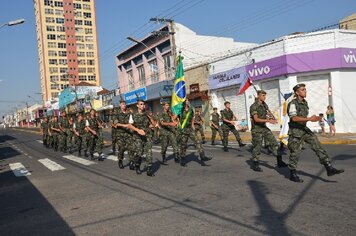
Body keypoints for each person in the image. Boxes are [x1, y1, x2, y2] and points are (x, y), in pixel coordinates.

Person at [287, 84, 344, 182]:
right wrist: (309, 119)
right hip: (295, 131)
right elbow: (294, 118)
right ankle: (293, 173)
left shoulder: (305, 103)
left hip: (304, 129)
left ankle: (329, 168)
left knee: (317, 146)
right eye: (302, 90)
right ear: (297, 92)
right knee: (295, 153)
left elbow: (304, 118)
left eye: (305, 89)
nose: (305, 91)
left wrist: (315, 119)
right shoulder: (293, 103)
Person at [249, 90, 288, 172]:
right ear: (258, 96)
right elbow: (256, 119)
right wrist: (268, 121)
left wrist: (273, 117)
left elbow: (268, 111)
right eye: (263, 95)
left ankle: (279, 161)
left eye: (265, 95)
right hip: (256, 129)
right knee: (257, 147)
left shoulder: (264, 104)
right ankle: (255, 164)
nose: (264, 97)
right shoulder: (254, 106)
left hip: (264, 128)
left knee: (274, 142)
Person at [178, 99, 211, 167]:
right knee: (183, 145)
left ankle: (202, 156)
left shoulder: (190, 110)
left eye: (188, 101)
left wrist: (193, 126)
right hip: (183, 130)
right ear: (184, 102)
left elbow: (192, 118)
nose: (188, 102)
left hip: (190, 129)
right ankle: (182, 160)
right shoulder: (180, 110)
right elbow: (176, 118)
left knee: (198, 141)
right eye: (186, 101)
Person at [128, 99, 155, 176]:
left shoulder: (147, 114)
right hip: (137, 137)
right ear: (137, 105)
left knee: (149, 152)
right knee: (139, 153)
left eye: (143, 104)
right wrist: (138, 130)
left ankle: (149, 170)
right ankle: (137, 165)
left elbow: (153, 124)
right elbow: (129, 125)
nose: (143, 106)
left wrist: (151, 120)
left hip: (147, 136)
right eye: (141, 104)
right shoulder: (133, 115)